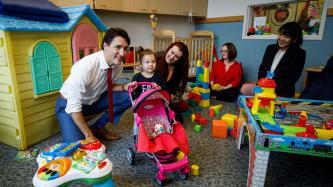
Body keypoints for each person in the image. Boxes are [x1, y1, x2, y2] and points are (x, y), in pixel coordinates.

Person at [55, 28, 132, 143]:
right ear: (105, 45)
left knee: (130, 94)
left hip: (92, 101)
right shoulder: (85, 66)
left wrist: (124, 87)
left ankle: (98, 127)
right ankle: (87, 130)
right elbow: (74, 106)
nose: (122, 53)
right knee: (79, 147)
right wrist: (89, 135)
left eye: (125, 48)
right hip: (68, 105)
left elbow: (108, 86)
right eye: (118, 47)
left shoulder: (118, 65)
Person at [241, 22, 306, 98]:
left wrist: (270, 90)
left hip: (280, 91)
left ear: (294, 39)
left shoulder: (299, 54)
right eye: (280, 34)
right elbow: (262, 68)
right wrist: (261, 84)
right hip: (263, 87)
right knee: (244, 88)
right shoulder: (270, 48)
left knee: (269, 104)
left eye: (286, 36)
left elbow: (291, 80)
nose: (281, 38)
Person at [130, 49, 167, 141]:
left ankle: (156, 134)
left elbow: (164, 89)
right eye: (147, 62)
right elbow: (131, 92)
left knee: (156, 120)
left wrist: (158, 87)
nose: (151, 64)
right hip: (140, 105)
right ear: (141, 64)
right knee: (138, 122)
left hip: (155, 104)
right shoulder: (137, 77)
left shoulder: (158, 76)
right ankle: (136, 138)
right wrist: (133, 88)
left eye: (153, 62)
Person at [156, 42, 189, 123]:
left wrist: (164, 104)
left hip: (165, 100)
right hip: (151, 98)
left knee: (177, 120)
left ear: (179, 59)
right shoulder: (156, 61)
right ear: (168, 49)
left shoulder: (178, 71)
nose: (171, 57)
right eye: (172, 52)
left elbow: (172, 95)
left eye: (176, 56)